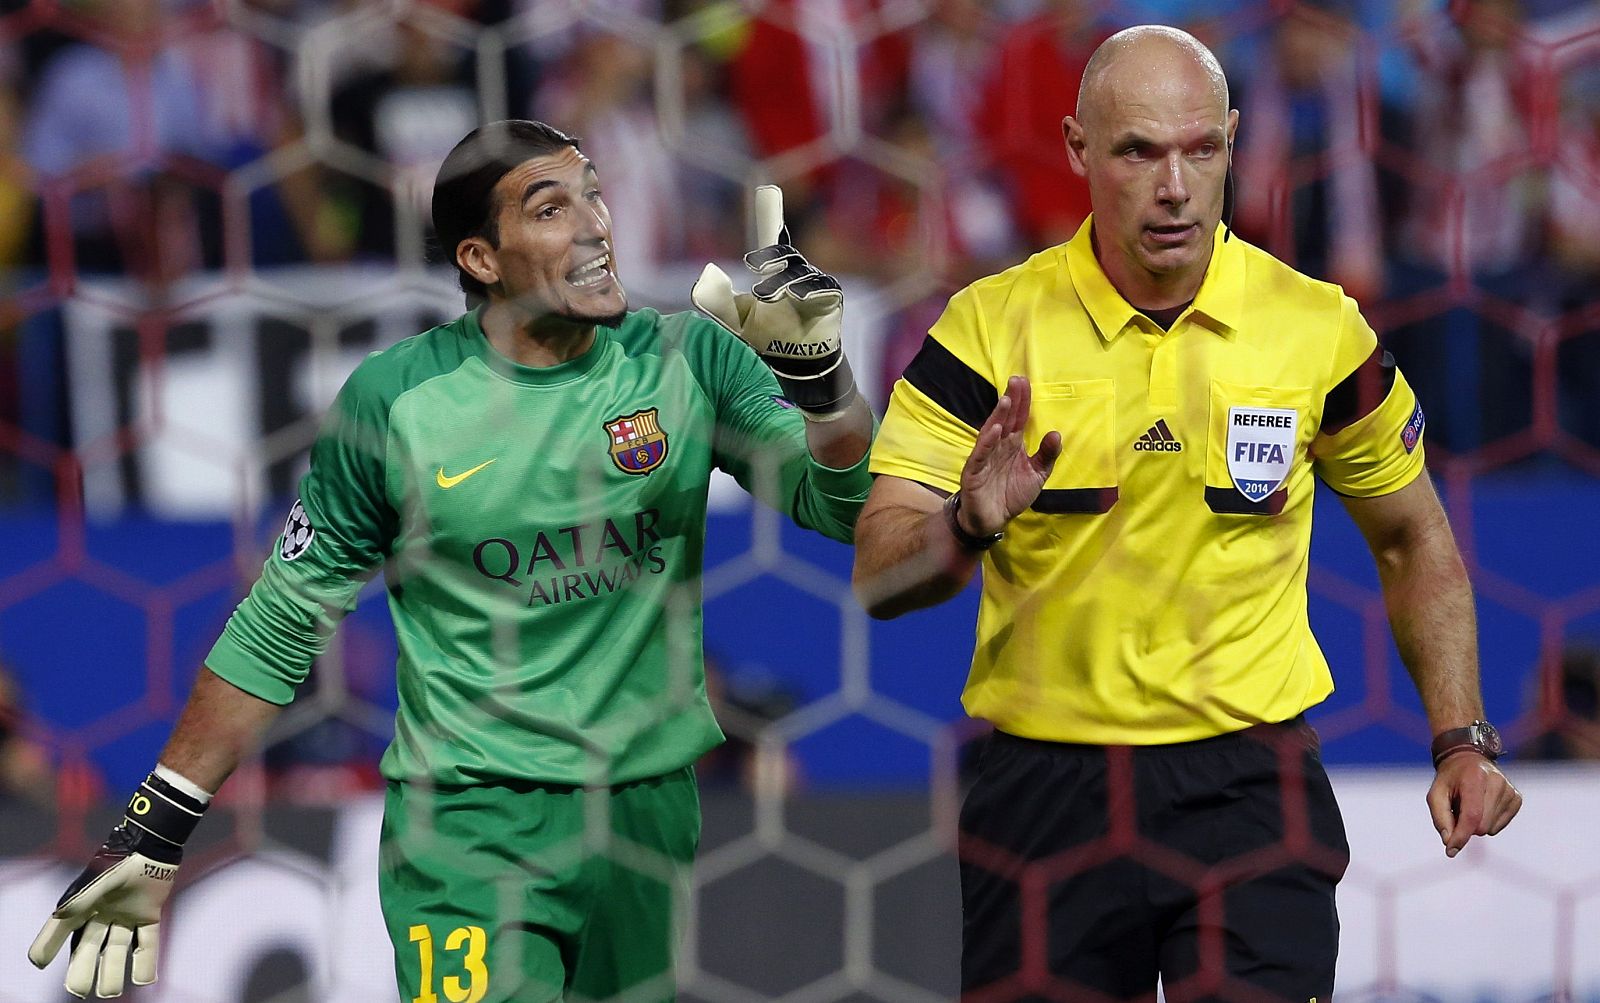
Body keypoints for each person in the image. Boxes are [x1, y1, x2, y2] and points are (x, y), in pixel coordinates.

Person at [27, 118, 875, 1002]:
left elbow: (842, 508)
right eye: (552, 208)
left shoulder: (686, 358)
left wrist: (826, 390)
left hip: (648, 813)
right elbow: (281, 621)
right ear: (480, 258)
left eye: (593, 191)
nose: (595, 223)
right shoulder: (396, 403)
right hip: (473, 822)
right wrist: (155, 827)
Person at [852, 25, 1522, 1003]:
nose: (1174, 186)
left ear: (1232, 142)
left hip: (1249, 790)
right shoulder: (987, 329)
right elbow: (878, 573)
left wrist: (1458, 737)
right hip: (1047, 792)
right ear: (1079, 148)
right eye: (1137, 152)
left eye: (1199, 149)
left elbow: (1411, 535)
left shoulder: (1317, 329)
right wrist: (965, 525)